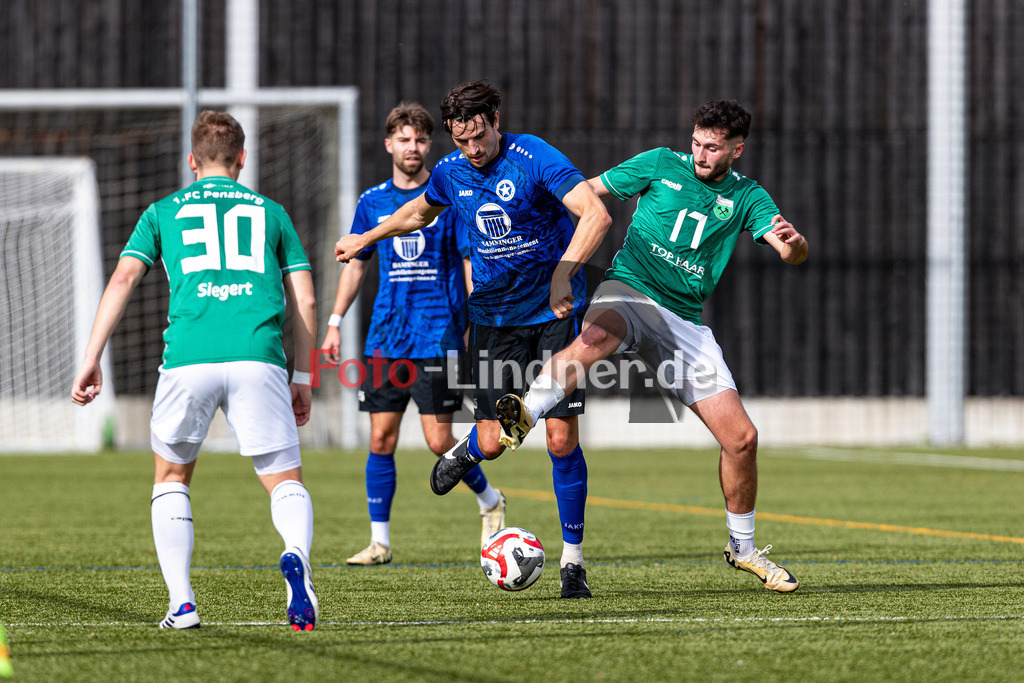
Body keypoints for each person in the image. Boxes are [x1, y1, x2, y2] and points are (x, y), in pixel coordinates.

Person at [496, 99, 808, 593]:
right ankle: (525, 412)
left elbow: (790, 250)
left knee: (742, 439)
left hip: (682, 321)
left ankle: (743, 549)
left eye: (713, 147)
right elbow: (589, 193)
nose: (701, 154)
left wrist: (794, 245)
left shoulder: (748, 197)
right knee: (596, 335)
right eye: (697, 143)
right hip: (630, 288)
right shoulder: (660, 163)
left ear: (736, 149)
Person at [335, 80, 612, 598]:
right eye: (462, 141)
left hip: (552, 315)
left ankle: (572, 564)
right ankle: (469, 451)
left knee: (560, 440)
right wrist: (367, 238)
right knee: (491, 442)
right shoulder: (450, 171)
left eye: (479, 136)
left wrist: (563, 274)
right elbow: (418, 212)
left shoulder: (534, 156)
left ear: (495, 118)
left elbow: (595, 214)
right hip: (493, 320)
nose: (472, 150)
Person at [71, 111, 320, 630]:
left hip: (188, 357)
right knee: (283, 480)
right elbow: (306, 298)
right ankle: (296, 555)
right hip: (258, 355)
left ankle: (182, 602)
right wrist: (303, 377)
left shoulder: (162, 211)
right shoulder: (272, 212)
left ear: (192, 161)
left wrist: (92, 356)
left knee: (171, 477)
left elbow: (121, 280)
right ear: (242, 160)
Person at [320, 102, 506, 564]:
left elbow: (468, 260)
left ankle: (490, 499)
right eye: (404, 139)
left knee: (439, 442)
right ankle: (379, 542)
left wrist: (476, 321)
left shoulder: (446, 193)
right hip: (387, 335)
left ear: (429, 145)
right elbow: (355, 265)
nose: (413, 147)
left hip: (439, 334)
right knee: (380, 439)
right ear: (389, 145)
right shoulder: (372, 202)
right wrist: (334, 322)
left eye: (421, 139)